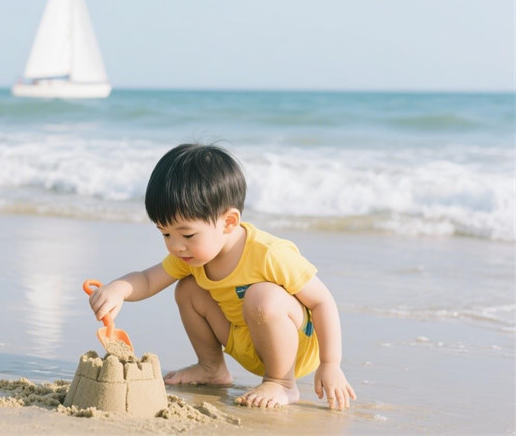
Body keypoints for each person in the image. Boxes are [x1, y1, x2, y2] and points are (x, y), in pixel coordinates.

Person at [88, 143, 356, 410]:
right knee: (187, 289)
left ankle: (282, 383)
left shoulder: (269, 254)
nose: (175, 246)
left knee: (262, 296)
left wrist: (330, 364)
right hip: (243, 339)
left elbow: (322, 302)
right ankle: (211, 368)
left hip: (294, 347)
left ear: (228, 222)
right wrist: (118, 289)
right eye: (165, 234)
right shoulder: (191, 256)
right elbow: (148, 280)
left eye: (187, 235)